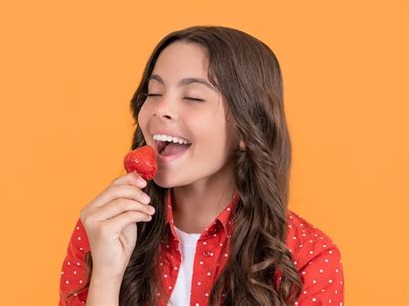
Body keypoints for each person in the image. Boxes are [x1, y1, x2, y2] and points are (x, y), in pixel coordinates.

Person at [58, 25, 344, 306]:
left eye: (193, 97)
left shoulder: (309, 257)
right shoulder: (103, 229)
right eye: (154, 92)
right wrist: (106, 277)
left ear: (248, 128)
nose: (161, 109)